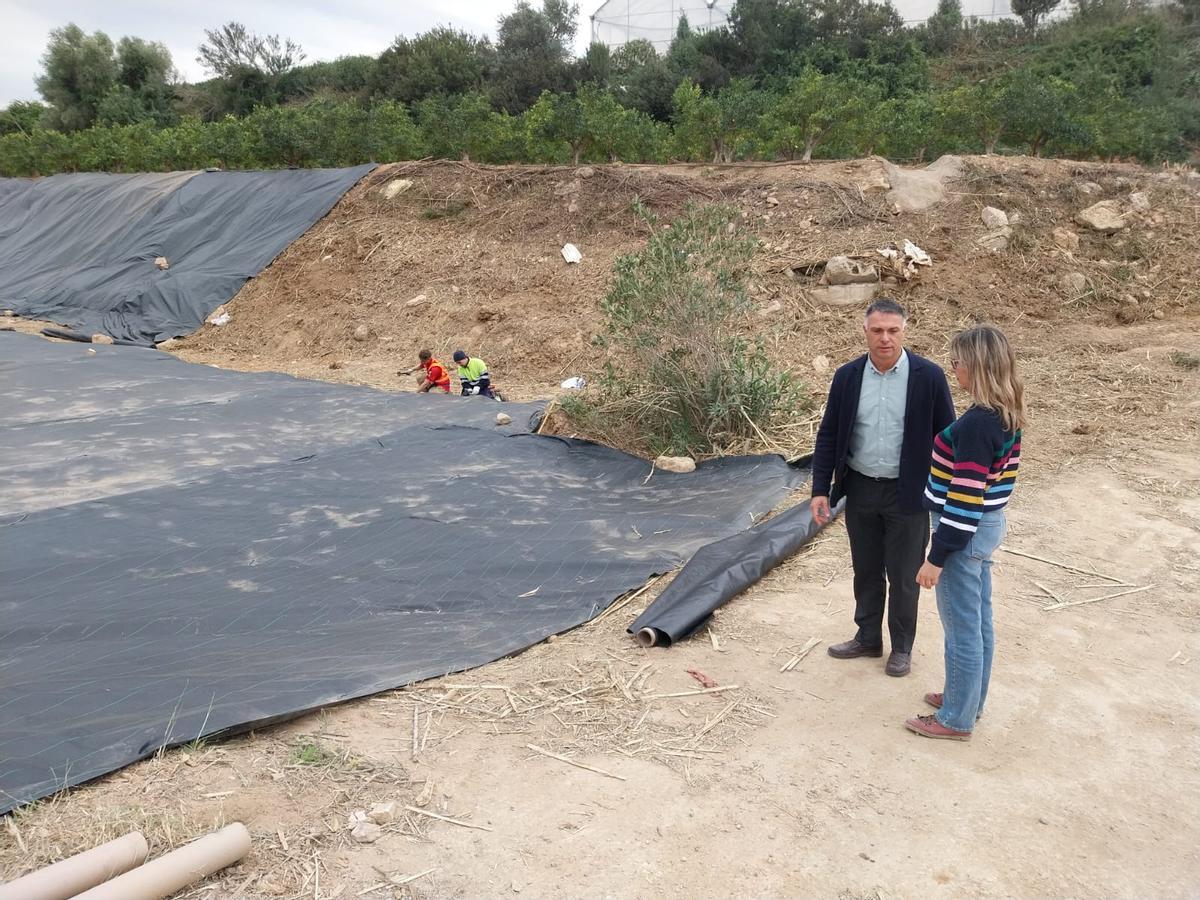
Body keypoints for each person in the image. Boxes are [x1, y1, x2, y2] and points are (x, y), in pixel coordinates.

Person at [811, 298, 955, 677]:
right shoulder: (847, 377)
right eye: (877, 331)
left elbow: (947, 437)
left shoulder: (929, 377)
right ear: (865, 332)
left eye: (893, 330)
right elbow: (828, 434)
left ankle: (902, 647)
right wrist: (820, 487)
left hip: (908, 492)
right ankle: (867, 636)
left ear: (904, 331)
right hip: (860, 488)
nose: (885, 338)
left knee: (905, 572)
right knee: (866, 568)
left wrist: (942, 493)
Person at [905, 325, 1024, 741]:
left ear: (974, 365)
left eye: (956, 362)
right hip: (986, 526)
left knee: (961, 629)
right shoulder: (1007, 411)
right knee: (979, 621)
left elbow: (964, 497)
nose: (953, 370)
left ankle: (955, 718)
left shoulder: (976, 425)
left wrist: (936, 557)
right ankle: (968, 698)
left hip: (963, 532)